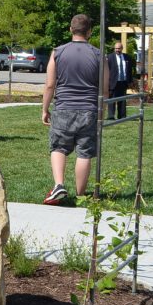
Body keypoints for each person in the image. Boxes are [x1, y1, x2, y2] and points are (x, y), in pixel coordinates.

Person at [43, 14, 105, 205]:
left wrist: (45, 109)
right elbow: (104, 89)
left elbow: (50, 85)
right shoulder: (98, 54)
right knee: (84, 152)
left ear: (71, 29)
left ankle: (59, 185)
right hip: (89, 109)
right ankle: (80, 194)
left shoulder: (58, 52)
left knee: (59, 147)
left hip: (63, 108)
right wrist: (102, 112)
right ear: (90, 32)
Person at [106, 41, 135, 120]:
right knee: (111, 100)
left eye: (119, 48)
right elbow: (106, 70)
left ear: (122, 48)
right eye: (115, 48)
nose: (117, 50)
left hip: (123, 82)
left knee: (122, 100)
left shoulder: (127, 57)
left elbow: (129, 70)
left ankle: (122, 116)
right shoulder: (109, 57)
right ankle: (111, 116)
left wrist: (130, 81)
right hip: (112, 82)